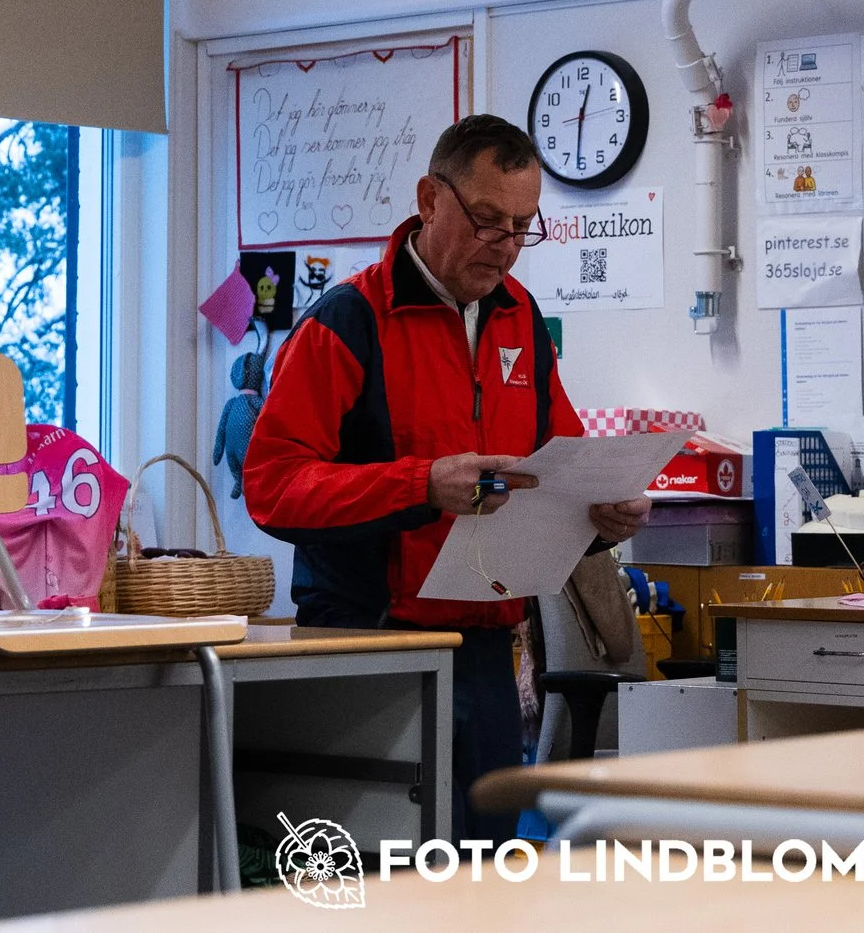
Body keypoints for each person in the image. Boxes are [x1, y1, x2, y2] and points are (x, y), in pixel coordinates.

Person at [243, 114, 650, 841]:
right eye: (488, 220)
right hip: (370, 649)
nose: (506, 248)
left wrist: (602, 511)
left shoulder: (520, 316)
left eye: (524, 226)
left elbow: (558, 460)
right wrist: (419, 484)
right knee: (389, 880)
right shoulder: (346, 321)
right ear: (430, 198)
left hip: (488, 648)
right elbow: (273, 485)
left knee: (487, 879)